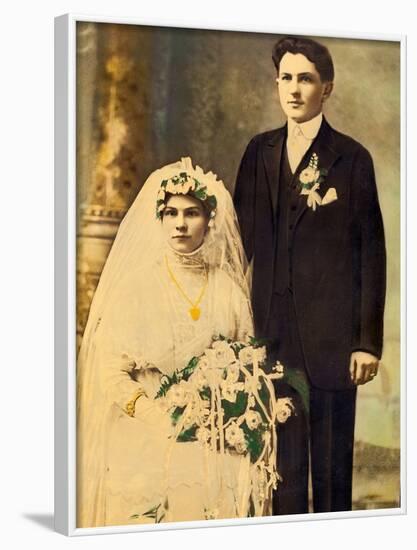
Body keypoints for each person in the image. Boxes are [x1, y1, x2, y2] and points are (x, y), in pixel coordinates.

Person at [77, 157, 281, 528]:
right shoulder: (137, 287)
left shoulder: (227, 290)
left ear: (210, 221)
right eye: (171, 213)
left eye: (192, 213)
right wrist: (156, 416)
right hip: (146, 428)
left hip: (212, 438)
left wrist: (221, 415)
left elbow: (247, 365)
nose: (181, 224)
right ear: (160, 219)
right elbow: (111, 371)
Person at [234, 36, 386, 514]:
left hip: (334, 343)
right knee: (282, 474)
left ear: (328, 88)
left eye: (306, 79)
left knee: (332, 477)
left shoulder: (351, 158)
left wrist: (367, 341)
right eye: (286, 78)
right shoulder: (259, 153)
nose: (294, 90)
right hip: (272, 339)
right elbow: (240, 246)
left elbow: (371, 254)